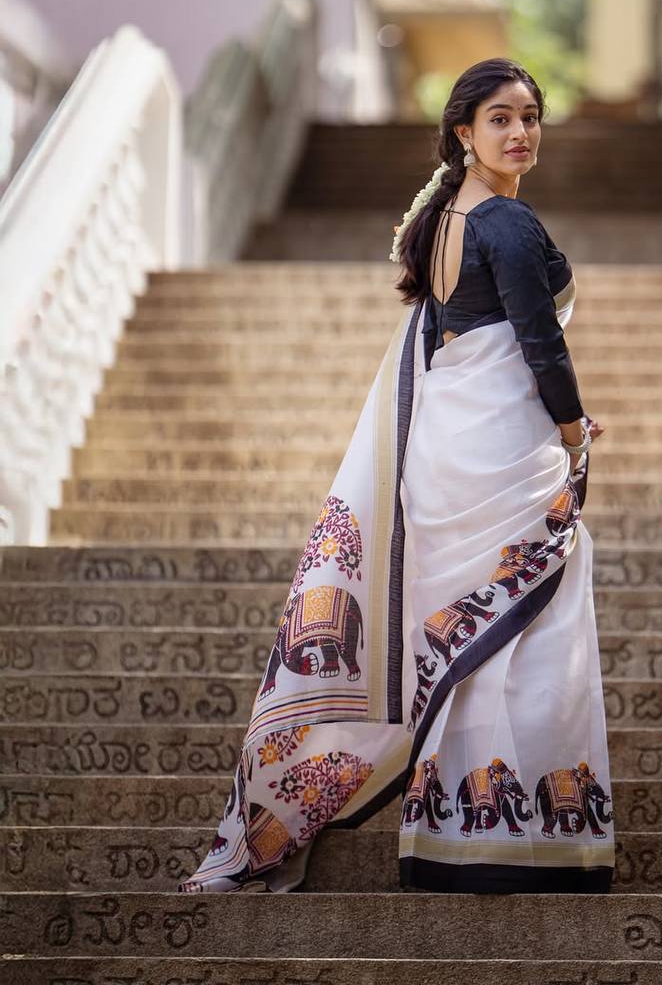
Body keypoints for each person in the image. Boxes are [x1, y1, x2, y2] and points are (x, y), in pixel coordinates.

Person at [180, 58, 613, 895]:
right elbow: (537, 340)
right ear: (464, 131)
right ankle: (504, 834)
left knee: (465, 626)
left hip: (450, 437)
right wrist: (571, 428)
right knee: (523, 627)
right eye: (500, 118)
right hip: (497, 445)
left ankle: (459, 828)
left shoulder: (440, 215)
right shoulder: (508, 226)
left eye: (529, 117)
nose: (519, 132)